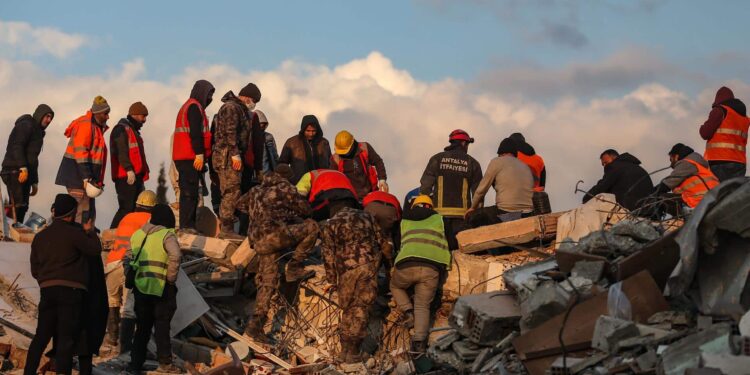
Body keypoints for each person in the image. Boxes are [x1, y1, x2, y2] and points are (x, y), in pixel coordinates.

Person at [237, 167, 319, 342]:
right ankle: (294, 267)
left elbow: (239, 204)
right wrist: (285, 214)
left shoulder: (255, 190)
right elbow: (306, 211)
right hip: (275, 237)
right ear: (287, 178)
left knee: (268, 282)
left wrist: (259, 213)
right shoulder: (286, 189)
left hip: (258, 241)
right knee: (312, 226)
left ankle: (254, 327)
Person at [25, 194, 102, 375]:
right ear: (72, 213)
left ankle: (28, 372)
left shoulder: (40, 237)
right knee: (66, 339)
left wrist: (47, 280)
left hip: (48, 291)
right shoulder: (75, 234)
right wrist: (90, 231)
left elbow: (35, 270)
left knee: (41, 337)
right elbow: (95, 250)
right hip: (72, 292)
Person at [319, 199, 391, 363]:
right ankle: (353, 351)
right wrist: (389, 266)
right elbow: (383, 244)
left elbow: (327, 253)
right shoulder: (367, 217)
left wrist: (331, 279)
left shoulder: (331, 223)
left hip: (344, 271)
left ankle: (345, 350)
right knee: (361, 308)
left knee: (349, 309)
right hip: (367, 265)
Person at [389, 195, 450, 354]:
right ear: (430, 206)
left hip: (406, 264)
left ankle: (408, 312)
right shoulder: (440, 219)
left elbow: (397, 243)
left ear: (414, 206)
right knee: (423, 305)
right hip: (431, 267)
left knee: (395, 286)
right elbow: (451, 241)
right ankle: (419, 345)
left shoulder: (404, 221)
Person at [126, 204, 182, 374]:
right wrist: (171, 278)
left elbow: (128, 258)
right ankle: (165, 364)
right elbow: (176, 255)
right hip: (160, 289)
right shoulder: (166, 235)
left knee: (142, 328)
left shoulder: (137, 234)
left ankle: (135, 365)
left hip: (141, 288)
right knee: (162, 327)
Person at [104, 190, 156, 352]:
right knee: (128, 308)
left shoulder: (126, 217)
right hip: (130, 265)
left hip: (112, 263)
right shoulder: (150, 220)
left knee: (112, 300)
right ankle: (124, 347)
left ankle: (112, 337)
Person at [419, 129, 483, 250]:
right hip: (462, 217)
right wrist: (476, 214)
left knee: (439, 249)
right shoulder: (472, 163)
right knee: (459, 250)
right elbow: (478, 193)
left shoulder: (437, 159)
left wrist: (426, 210)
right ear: (463, 143)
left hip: (439, 216)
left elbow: (425, 186)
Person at [212, 84, 261, 238]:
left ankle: (227, 227)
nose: (253, 104)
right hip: (227, 156)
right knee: (231, 190)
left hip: (229, 155)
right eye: (254, 100)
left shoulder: (239, 109)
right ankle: (226, 229)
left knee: (233, 190)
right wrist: (234, 153)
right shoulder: (232, 108)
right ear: (247, 96)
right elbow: (229, 131)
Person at [55, 96, 110, 225]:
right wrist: (87, 178)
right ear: (97, 113)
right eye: (106, 113)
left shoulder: (94, 126)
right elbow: (81, 153)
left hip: (84, 179)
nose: (108, 117)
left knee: (88, 211)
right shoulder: (86, 125)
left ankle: (82, 236)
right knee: (82, 211)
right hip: (78, 177)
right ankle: (78, 237)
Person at [173, 80, 215, 231]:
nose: (210, 98)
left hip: (187, 156)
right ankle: (187, 226)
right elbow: (195, 133)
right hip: (189, 156)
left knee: (190, 192)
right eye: (209, 94)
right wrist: (199, 154)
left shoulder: (191, 106)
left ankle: (189, 225)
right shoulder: (193, 107)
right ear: (202, 92)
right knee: (189, 193)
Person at [1, 104, 53, 223]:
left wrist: (34, 181)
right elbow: (17, 146)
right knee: (17, 204)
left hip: (23, 172)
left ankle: (15, 228)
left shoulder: (38, 132)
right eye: (47, 116)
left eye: (51, 118)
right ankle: (9, 231)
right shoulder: (26, 125)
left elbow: (33, 159)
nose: (49, 120)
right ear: (40, 115)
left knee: (23, 206)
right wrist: (22, 167)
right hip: (13, 169)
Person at [466, 138, 533, 227]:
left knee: (473, 217)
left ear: (500, 153)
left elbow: (481, 191)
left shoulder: (497, 161)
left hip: (506, 213)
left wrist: (472, 208)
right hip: (528, 213)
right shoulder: (525, 166)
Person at [109, 102, 150, 228]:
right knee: (126, 208)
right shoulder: (122, 129)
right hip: (125, 176)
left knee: (132, 209)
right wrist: (128, 169)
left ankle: (125, 233)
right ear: (135, 115)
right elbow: (121, 150)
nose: (144, 120)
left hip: (134, 176)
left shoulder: (132, 130)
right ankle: (112, 233)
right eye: (143, 116)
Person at [700, 86, 749, 181]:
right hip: (740, 163)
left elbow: (705, 133)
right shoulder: (744, 118)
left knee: (720, 193)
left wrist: (702, 127)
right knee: (734, 194)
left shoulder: (720, 110)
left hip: (720, 161)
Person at [583, 149, 654, 213]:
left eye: (605, 162)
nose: (604, 166)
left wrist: (586, 198)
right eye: (603, 164)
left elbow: (602, 186)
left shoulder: (615, 166)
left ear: (614, 157)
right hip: (649, 208)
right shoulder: (640, 168)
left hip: (630, 209)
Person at [655, 144, 719, 209]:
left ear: (676, 156)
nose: (671, 164)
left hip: (697, 201)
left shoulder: (686, 163)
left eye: (671, 159)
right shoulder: (700, 164)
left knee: (660, 199)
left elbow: (668, 183)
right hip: (711, 200)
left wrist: (651, 192)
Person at [331, 130, 388, 199]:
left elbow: (378, 162)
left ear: (352, 144)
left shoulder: (364, 148)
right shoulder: (335, 160)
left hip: (371, 194)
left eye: (346, 151)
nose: (344, 153)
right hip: (350, 199)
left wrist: (382, 179)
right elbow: (333, 180)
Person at [278, 114, 332, 184]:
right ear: (303, 129)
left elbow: (330, 163)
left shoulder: (324, 143)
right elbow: (282, 165)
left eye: (313, 131)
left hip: (321, 183)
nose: (311, 134)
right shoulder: (291, 142)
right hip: (298, 183)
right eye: (308, 131)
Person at [256, 110, 279, 174]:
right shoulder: (248, 136)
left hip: (268, 172)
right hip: (253, 174)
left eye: (263, 124)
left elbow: (275, 155)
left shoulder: (269, 137)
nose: (262, 126)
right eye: (260, 124)